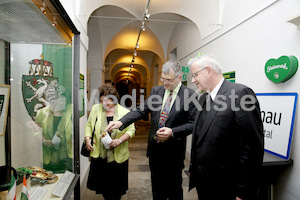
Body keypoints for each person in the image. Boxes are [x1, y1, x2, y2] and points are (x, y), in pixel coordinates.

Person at [105, 60, 197, 200]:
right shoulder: (157, 91)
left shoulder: (190, 95)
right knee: (157, 187)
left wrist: (173, 132)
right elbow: (141, 110)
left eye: (168, 80)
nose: (165, 83)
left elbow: (192, 124)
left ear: (179, 78)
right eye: (163, 79)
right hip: (155, 150)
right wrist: (121, 122)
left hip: (174, 151)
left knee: (174, 189)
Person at [188, 54, 264, 200]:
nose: (192, 80)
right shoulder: (203, 97)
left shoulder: (241, 94)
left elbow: (251, 149)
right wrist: (193, 168)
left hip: (227, 187)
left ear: (209, 70)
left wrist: (243, 192)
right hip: (204, 183)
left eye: (195, 74)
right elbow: (199, 137)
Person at [85, 84, 135, 200]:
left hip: (118, 158)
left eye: (108, 101)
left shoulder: (125, 112)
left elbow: (131, 131)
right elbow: (88, 125)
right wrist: (88, 139)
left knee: (116, 191)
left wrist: (119, 140)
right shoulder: (95, 109)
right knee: (104, 189)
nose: (105, 104)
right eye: (102, 101)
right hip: (100, 157)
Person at [35, 95, 73, 173]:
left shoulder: (69, 113)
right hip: (47, 158)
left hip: (64, 158)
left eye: (64, 100)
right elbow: (35, 131)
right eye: (59, 99)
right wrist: (44, 141)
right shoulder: (42, 113)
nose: (61, 102)